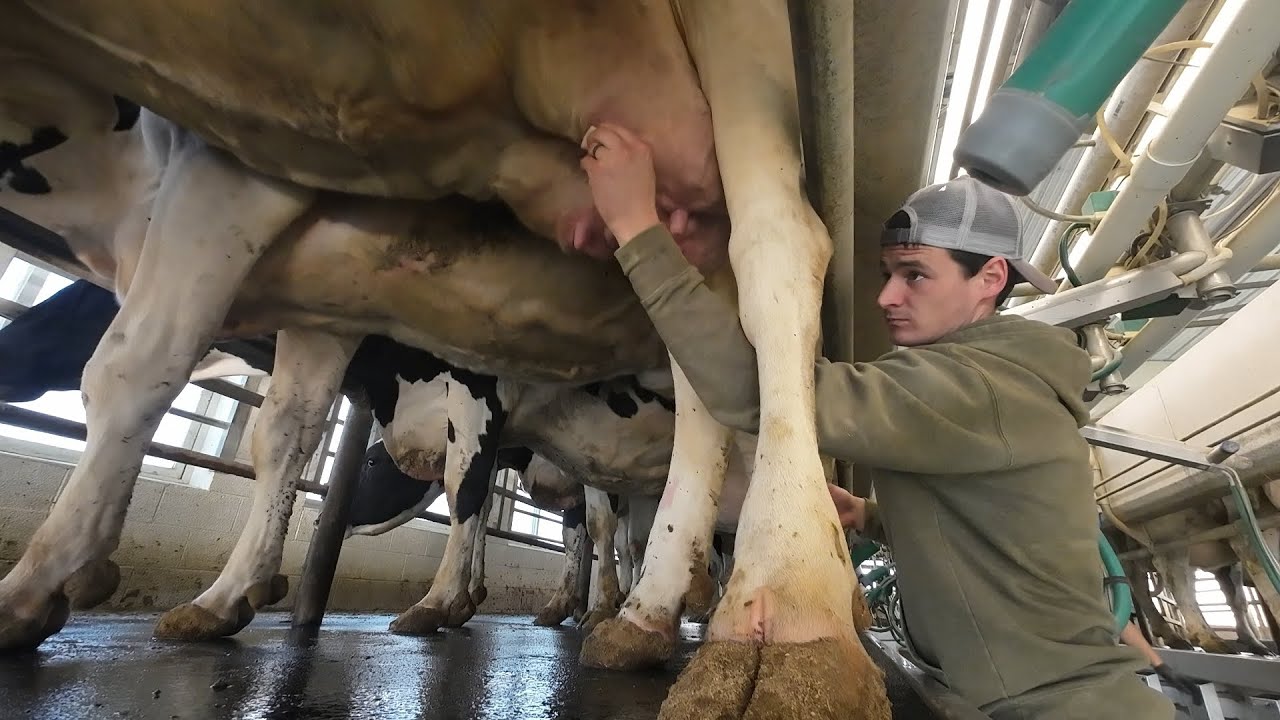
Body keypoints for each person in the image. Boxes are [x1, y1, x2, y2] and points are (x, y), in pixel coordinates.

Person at [577, 123, 1176, 719]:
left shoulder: (975, 387)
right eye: (888, 273)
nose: (887, 296)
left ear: (990, 278)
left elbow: (760, 395)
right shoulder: (1001, 382)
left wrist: (637, 231)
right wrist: (870, 516)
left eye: (914, 274)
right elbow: (1001, 530)